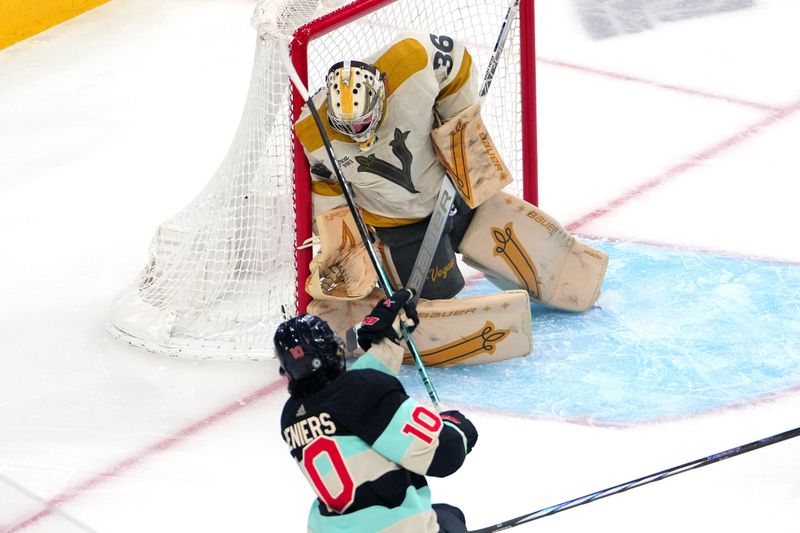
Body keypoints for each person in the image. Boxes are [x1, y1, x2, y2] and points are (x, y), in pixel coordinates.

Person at [295, 31, 608, 312]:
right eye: (347, 126)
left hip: (453, 190)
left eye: (363, 122)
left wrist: (459, 135)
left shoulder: (410, 60)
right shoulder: (313, 132)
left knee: (533, 260)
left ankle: (571, 282)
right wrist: (342, 244)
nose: (358, 132)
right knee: (437, 303)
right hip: (399, 226)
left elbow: (456, 63)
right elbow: (327, 186)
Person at [275, 288, 479, 532]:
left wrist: (386, 340)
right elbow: (442, 456)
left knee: (446, 513)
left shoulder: (291, 416)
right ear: (332, 349)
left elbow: (351, 398)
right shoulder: (360, 393)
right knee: (451, 519)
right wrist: (456, 429)